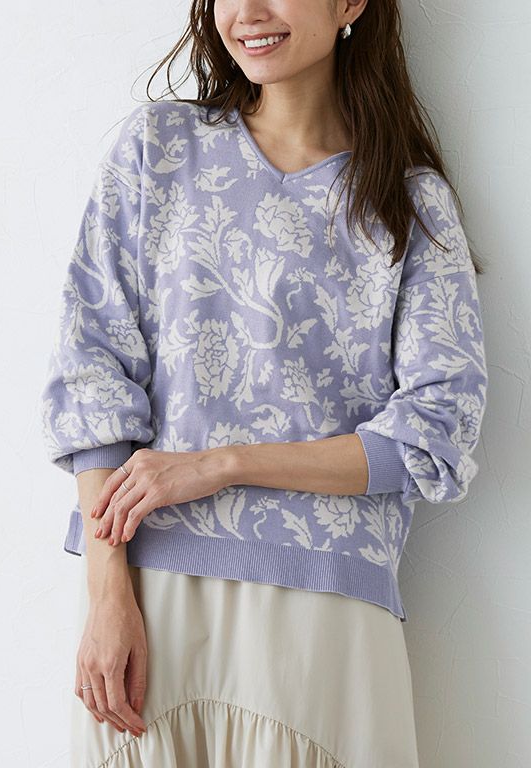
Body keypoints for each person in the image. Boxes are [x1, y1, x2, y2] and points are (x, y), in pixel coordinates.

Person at [39, 0, 488, 765]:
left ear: (350, 3)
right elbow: (92, 369)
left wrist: (222, 464)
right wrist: (107, 595)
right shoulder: (158, 150)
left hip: (325, 611)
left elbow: (436, 433)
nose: (247, 12)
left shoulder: (409, 205)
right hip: (153, 596)